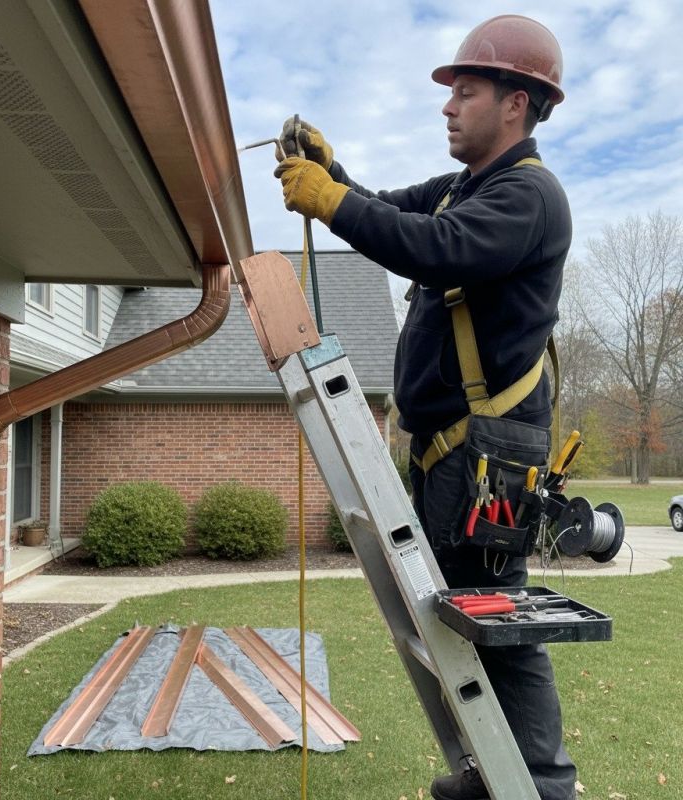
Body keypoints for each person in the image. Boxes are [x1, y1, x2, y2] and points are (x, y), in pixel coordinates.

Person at [273, 14, 576, 800]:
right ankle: (492, 771)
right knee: (466, 615)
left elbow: (431, 248)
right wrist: (335, 175)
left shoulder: (529, 196)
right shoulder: (462, 189)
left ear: (517, 104)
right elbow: (389, 214)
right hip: (460, 447)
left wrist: (331, 200)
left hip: (489, 453)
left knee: (495, 619)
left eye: (466, 91)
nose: (448, 105)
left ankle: (539, 784)